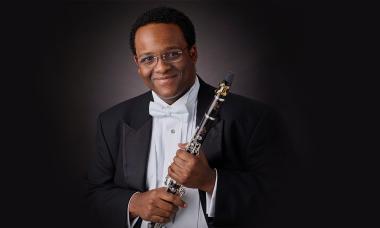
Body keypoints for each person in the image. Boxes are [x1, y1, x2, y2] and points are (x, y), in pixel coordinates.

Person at [86, 6, 284, 228]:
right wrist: (134, 203)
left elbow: (283, 196)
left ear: (193, 53)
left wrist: (211, 181)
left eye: (172, 54)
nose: (161, 68)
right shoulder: (112, 121)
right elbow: (94, 194)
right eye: (148, 58)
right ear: (137, 64)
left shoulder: (252, 117)